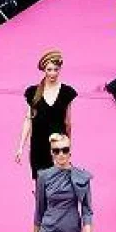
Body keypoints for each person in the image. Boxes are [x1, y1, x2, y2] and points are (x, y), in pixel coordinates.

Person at [15, 50, 77, 180]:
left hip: (57, 146)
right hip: (38, 145)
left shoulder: (67, 92)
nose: (53, 73)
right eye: (49, 69)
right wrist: (21, 146)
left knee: (57, 185)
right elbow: (28, 119)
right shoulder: (33, 92)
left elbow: (68, 122)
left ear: (60, 69)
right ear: (44, 70)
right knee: (40, 184)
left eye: (56, 69)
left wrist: (68, 146)